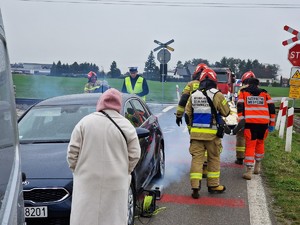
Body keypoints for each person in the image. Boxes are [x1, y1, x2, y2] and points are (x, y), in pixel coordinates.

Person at [67, 88, 141, 225]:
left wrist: (78, 170)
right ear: (118, 104)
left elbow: (72, 152)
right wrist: (123, 170)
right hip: (116, 181)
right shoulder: (126, 126)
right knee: (113, 217)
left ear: (100, 103)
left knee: (85, 217)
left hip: (87, 180)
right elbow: (135, 155)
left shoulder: (85, 122)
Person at [185, 68, 230, 199]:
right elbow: (226, 112)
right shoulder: (217, 95)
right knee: (213, 158)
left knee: (197, 159)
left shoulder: (193, 95)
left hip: (196, 135)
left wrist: (191, 131)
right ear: (214, 81)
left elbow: (188, 116)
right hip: (212, 135)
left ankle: (195, 186)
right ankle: (213, 185)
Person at [237, 77, 276, 180]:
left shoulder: (244, 92)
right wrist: (272, 123)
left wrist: (241, 122)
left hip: (250, 124)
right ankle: (257, 166)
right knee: (260, 143)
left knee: (250, 146)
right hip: (263, 124)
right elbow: (272, 109)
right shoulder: (265, 94)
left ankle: (249, 171)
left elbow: (240, 107)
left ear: (248, 84)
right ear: (258, 85)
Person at [175, 63, 209, 177]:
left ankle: (197, 165)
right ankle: (205, 167)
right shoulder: (212, 86)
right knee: (208, 142)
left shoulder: (191, 84)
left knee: (196, 142)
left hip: (191, 117)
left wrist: (179, 115)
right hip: (207, 118)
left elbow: (183, 100)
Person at [234, 71, 256, 165]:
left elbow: (239, 104)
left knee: (241, 137)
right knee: (252, 138)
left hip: (244, 117)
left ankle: (240, 158)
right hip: (255, 118)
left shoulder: (242, 90)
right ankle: (250, 158)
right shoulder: (259, 90)